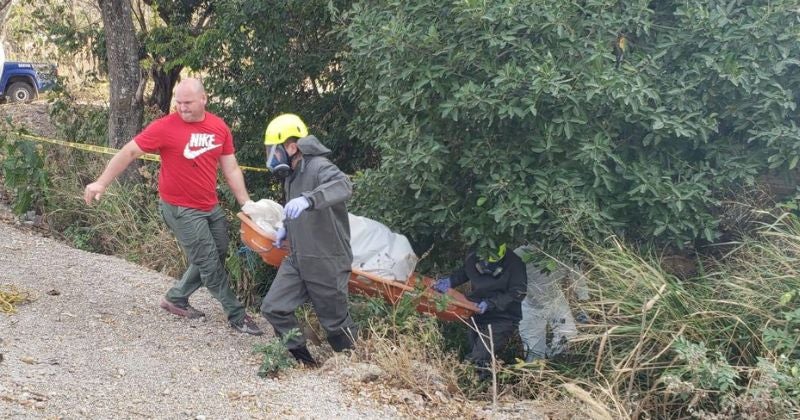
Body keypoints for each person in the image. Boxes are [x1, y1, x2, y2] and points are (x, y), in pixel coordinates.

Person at [84, 78, 262, 336]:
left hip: (209, 206)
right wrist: (101, 182)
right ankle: (236, 314)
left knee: (219, 252)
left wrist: (246, 203)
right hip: (180, 209)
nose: (181, 107)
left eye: (187, 102)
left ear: (204, 99)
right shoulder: (165, 127)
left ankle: (176, 298)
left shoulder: (219, 127)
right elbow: (129, 152)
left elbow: (231, 167)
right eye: (178, 102)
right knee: (209, 263)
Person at [259, 113, 357, 367]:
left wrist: (309, 199)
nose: (271, 156)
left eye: (274, 149)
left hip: (327, 260)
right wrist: (285, 227)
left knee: (335, 326)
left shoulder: (319, 167)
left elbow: (343, 184)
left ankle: (355, 367)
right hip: (299, 258)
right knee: (274, 308)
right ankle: (305, 363)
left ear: (291, 147)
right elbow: (295, 212)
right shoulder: (291, 173)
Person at [433, 243, 527, 378]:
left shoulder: (515, 264)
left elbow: (518, 292)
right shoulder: (474, 253)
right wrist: (451, 281)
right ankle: (481, 386)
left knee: (479, 356)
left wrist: (491, 303)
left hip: (503, 318)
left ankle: (462, 381)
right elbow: (466, 271)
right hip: (475, 312)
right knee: (479, 355)